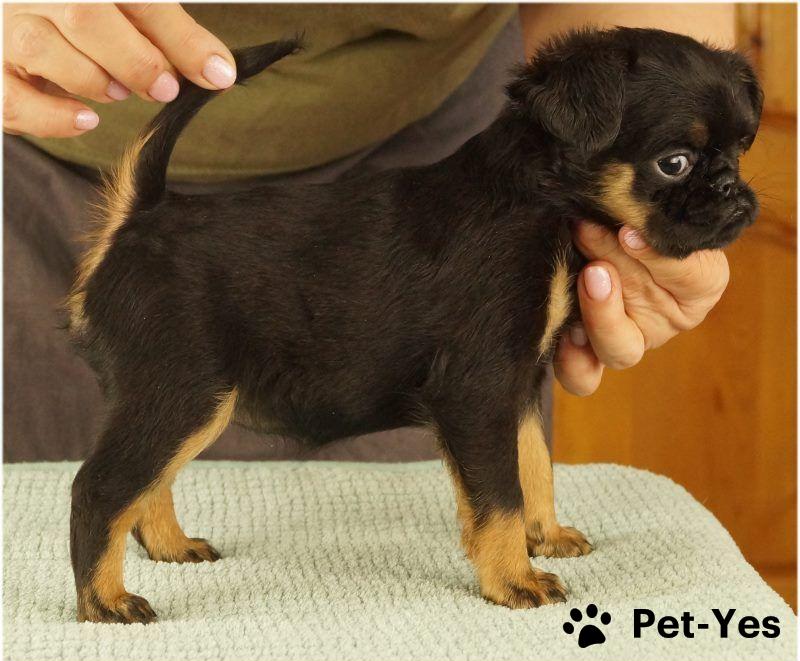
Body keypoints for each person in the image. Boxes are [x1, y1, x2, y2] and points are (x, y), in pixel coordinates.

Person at [3, 3, 733, 462]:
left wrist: (654, 125)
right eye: (678, 161)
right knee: (121, 448)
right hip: (50, 145)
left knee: (440, 464)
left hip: (450, 152)